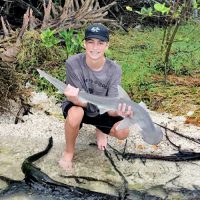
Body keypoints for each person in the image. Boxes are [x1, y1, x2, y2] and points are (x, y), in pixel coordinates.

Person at [59, 23, 133, 171]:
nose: (95, 47)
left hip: (103, 109)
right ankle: (68, 153)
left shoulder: (114, 69)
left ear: (107, 46)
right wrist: (73, 99)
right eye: (91, 42)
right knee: (75, 113)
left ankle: (100, 129)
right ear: (84, 44)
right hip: (80, 105)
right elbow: (77, 99)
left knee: (123, 131)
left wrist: (120, 111)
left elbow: (112, 107)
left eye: (100, 43)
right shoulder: (73, 63)